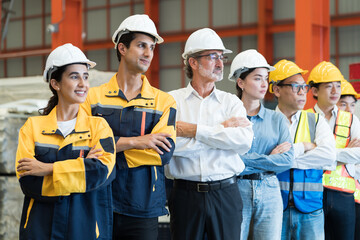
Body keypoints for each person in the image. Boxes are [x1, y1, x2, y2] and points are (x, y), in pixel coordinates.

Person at [82, 14, 176, 240]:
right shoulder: (92, 98)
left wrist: (109, 151)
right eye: (141, 45)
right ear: (122, 48)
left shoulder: (164, 102)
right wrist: (137, 142)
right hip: (97, 199)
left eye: (151, 47)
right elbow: (81, 145)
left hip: (143, 205)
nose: (148, 53)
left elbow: (164, 153)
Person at [15, 43, 116, 240]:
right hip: (40, 230)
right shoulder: (32, 127)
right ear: (56, 83)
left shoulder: (99, 127)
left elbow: (102, 172)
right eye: (74, 76)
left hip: (85, 230)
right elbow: (29, 182)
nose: (83, 84)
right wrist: (82, 168)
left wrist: (48, 169)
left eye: (85, 76)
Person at [165, 28, 254, 240]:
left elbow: (243, 142)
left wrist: (193, 131)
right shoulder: (171, 101)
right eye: (212, 56)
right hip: (185, 195)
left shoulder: (231, 102)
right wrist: (220, 131)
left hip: (226, 194)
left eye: (221, 57)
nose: (220, 63)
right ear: (192, 62)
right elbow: (169, 147)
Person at [228, 49, 294, 240]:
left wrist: (241, 162)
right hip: (235, 188)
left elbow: (287, 160)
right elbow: (224, 159)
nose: (265, 84)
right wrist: (270, 158)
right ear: (241, 82)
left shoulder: (277, 120)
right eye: (257, 78)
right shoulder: (228, 119)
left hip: (270, 189)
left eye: (266, 78)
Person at [269, 59, 336, 240]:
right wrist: (305, 148)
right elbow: (263, 162)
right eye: (295, 87)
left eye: (304, 87)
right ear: (276, 90)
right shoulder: (266, 122)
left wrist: (286, 158)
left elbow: (329, 157)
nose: (302, 93)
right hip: (274, 208)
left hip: (311, 209)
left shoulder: (315, 121)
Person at [307, 61, 360, 240]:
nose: (335, 91)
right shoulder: (304, 118)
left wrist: (322, 153)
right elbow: (302, 155)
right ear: (314, 91)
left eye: (338, 85)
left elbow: (359, 154)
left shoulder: (351, 119)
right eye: (329, 86)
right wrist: (344, 154)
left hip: (344, 195)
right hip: (312, 191)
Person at [336, 79, 360, 240]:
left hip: (355, 195)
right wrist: (346, 153)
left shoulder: (355, 126)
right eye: (343, 104)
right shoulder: (324, 126)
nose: (349, 109)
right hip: (334, 194)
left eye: (352, 104)